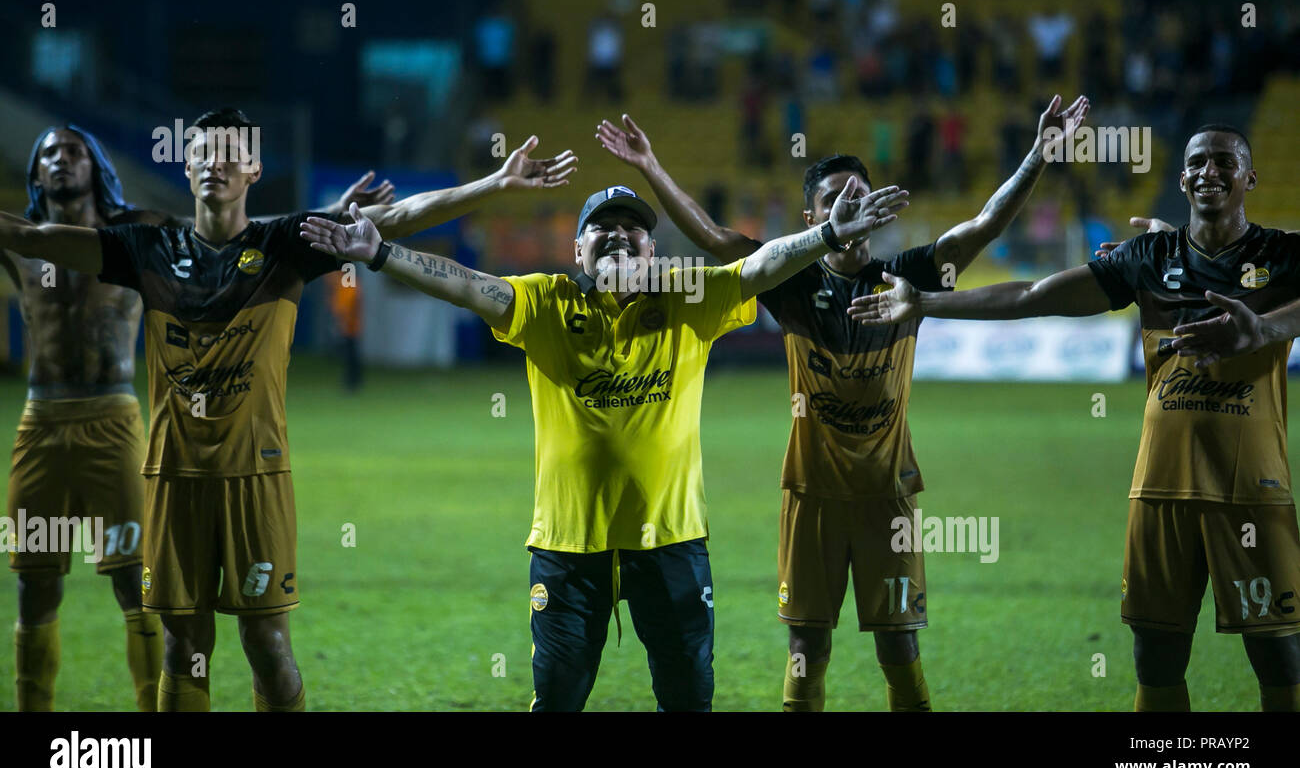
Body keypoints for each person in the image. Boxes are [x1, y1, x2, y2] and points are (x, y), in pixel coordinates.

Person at [0, 109, 574, 711]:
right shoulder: (147, 247)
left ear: (253, 169)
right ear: (186, 164)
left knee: (267, 645)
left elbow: (396, 216)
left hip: (256, 476)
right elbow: (30, 238)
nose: (213, 162)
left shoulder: (287, 244)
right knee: (181, 643)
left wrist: (493, 185)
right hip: (173, 478)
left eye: (229, 152)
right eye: (200, 151)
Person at [299, 177, 909, 711]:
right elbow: (465, 285)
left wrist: (826, 237)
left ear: (653, 248)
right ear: (577, 248)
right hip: (568, 548)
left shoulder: (687, 297)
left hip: (670, 542)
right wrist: (381, 252)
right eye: (602, 227)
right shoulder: (545, 303)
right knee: (559, 698)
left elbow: (757, 267)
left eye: (633, 230)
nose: (619, 237)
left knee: (689, 697)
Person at [595, 98, 1086, 711]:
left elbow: (981, 227)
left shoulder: (908, 279)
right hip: (813, 495)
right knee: (807, 647)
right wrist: (650, 166)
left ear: (878, 209)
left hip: (889, 494)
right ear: (812, 216)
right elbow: (715, 237)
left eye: (859, 194)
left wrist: (1038, 157)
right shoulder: (792, 282)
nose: (850, 205)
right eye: (834, 200)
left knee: (900, 649)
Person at [852, 124, 1300, 711]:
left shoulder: (1281, 254)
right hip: (1160, 488)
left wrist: (1264, 329)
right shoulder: (1149, 258)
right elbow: (1035, 295)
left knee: (1277, 656)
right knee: (1156, 656)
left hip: (1252, 489)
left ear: (1250, 177)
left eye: (1225, 161)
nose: (1209, 171)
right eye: (1196, 162)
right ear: (1182, 177)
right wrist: (928, 303)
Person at [3, 125, 390, 712]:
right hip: (44, 420)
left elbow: (229, 225)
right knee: (36, 583)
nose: (62, 162)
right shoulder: (30, 242)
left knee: (147, 590)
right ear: (34, 171)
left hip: (122, 419)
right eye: (50, 154)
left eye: (75, 152)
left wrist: (325, 216)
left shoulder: (144, 233)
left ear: (97, 166)